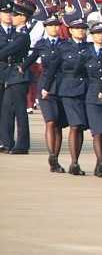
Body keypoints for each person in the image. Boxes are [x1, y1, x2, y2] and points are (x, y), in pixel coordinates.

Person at [21, 15, 68, 169]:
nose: (54, 28)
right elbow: (28, 61)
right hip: (45, 88)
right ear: (46, 28)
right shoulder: (41, 44)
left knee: (59, 124)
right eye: (51, 25)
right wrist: (19, 70)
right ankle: (52, 155)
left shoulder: (65, 44)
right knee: (51, 120)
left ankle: (56, 156)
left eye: (56, 25)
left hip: (62, 87)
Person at [44, 19, 90, 175]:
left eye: (83, 29)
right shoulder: (62, 47)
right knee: (75, 125)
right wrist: (46, 87)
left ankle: (74, 162)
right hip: (68, 91)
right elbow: (52, 69)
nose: (81, 31)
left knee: (80, 127)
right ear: (70, 31)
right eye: (77, 29)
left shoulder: (90, 48)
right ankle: (72, 162)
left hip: (86, 91)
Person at [0, 1, 34, 155]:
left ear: (23, 18)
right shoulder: (16, 34)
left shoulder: (23, 36)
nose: (12, 17)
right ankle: (7, 142)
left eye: (15, 15)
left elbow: (6, 51)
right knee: (7, 109)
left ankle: (22, 144)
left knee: (20, 110)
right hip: (11, 75)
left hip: (18, 76)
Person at [83, 22, 102, 177]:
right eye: (97, 33)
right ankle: (101, 161)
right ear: (92, 35)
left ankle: (99, 163)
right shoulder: (86, 53)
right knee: (98, 132)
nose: (100, 36)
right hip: (92, 96)